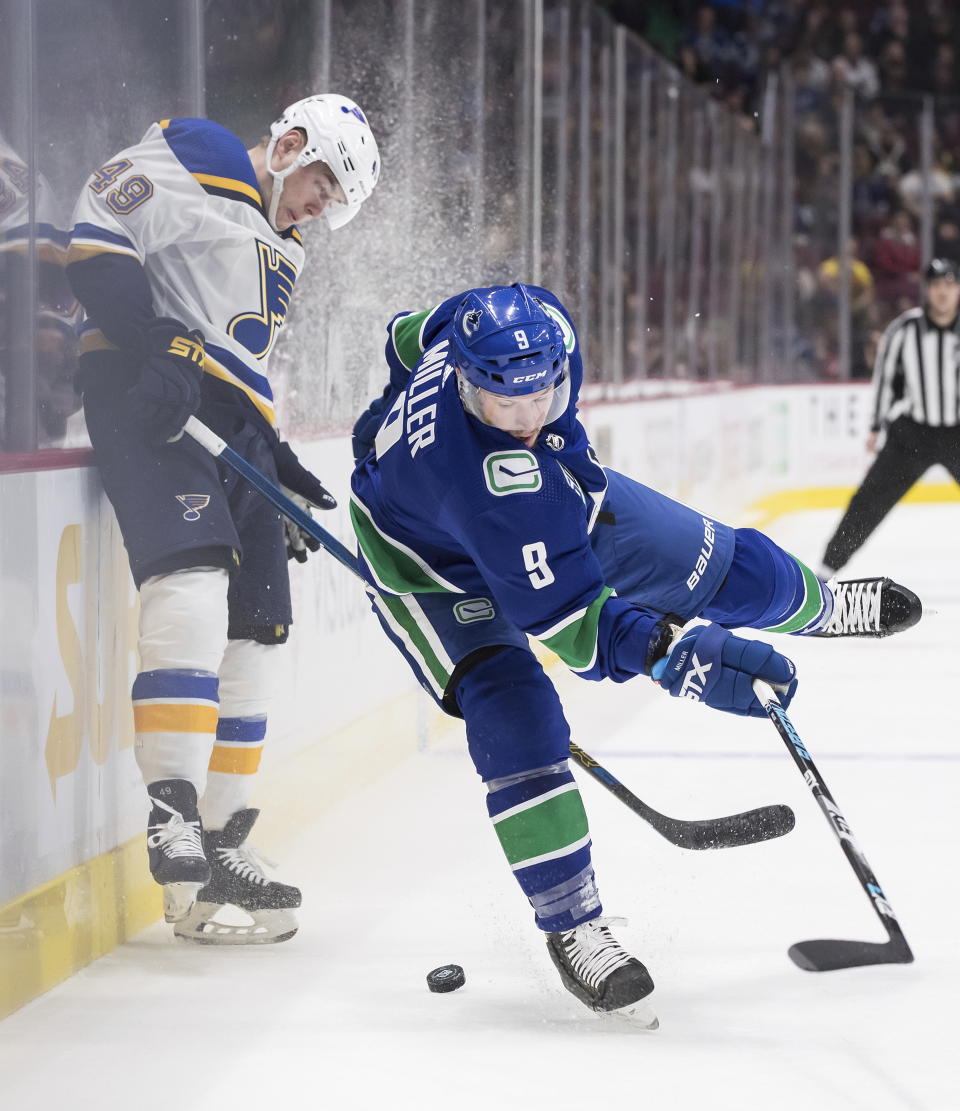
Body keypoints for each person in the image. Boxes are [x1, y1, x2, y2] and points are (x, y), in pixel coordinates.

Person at [349, 283, 920, 1023]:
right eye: (504, 404)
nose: (526, 417)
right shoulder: (485, 481)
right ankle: (574, 924)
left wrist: (383, 414)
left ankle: (822, 605)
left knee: (720, 563)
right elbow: (581, 630)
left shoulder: (513, 321)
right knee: (517, 713)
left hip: (560, 506)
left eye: (541, 395)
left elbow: (402, 333)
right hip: (425, 563)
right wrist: (676, 652)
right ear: (465, 379)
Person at [65, 94, 380, 943]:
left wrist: (272, 452)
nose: (322, 204)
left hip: (230, 423)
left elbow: (240, 356)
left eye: (333, 199)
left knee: (263, 624)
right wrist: (147, 342)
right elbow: (95, 226)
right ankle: (172, 809)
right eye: (323, 181)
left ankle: (222, 839)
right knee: (197, 584)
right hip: (150, 397)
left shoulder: (287, 243)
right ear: (288, 142)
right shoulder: (204, 151)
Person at [819, 257, 960, 589]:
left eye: (950, 285)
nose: (943, 292)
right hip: (913, 433)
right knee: (869, 502)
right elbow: (884, 379)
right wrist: (875, 426)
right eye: (937, 285)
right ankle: (825, 571)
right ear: (927, 290)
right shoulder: (904, 329)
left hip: (957, 432)